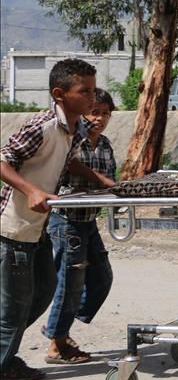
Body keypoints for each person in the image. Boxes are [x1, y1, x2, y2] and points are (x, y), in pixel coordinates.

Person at [0, 59, 115, 380]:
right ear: (59, 94)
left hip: (38, 230)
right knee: (15, 307)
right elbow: (2, 160)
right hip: (14, 228)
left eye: (93, 90)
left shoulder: (76, 129)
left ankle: (5, 353)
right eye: (84, 91)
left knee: (44, 291)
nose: (92, 97)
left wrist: (99, 180)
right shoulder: (44, 125)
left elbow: (68, 161)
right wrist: (31, 190)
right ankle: (4, 364)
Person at [42, 89, 117, 365]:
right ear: (84, 112)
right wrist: (99, 179)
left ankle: (57, 326)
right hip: (66, 220)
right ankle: (57, 343)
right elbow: (69, 164)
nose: (100, 119)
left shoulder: (105, 144)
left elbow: (110, 179)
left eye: (105, 113)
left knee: (102, 278)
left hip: (89, 220)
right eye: (95, 112)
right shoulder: (72, 138)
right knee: (70, 283)